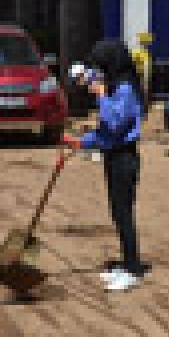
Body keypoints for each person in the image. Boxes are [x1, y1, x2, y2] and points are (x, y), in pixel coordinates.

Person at [63, 41, 145, 293]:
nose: (100, 72)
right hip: (113, 155)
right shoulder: (116, 87)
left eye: (102, 66)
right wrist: (81, 142)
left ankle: (133, 269)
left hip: (124, 158)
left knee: (124, 214)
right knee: (117, 212)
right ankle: (126, 263)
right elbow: (104, 133)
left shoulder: (125, 89)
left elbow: (115, 124)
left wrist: (100, 95)